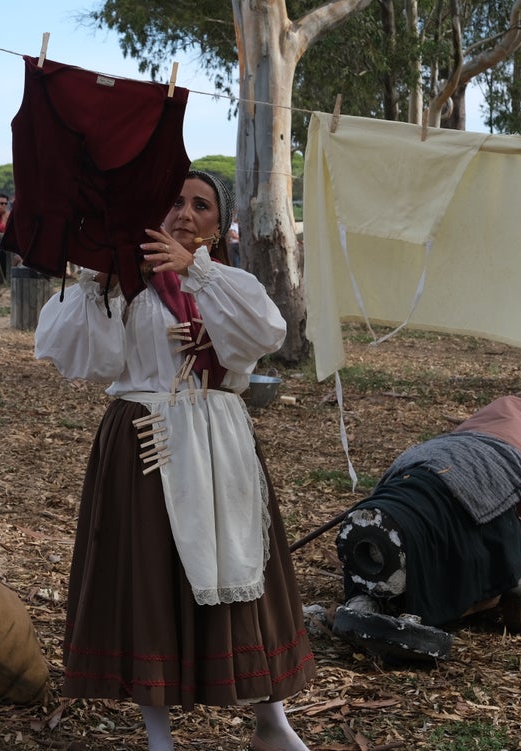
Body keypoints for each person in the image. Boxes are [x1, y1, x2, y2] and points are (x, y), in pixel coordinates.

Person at [34, 170, 316, 751]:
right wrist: (99, 280)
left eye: (202, 205)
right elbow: (79, 355)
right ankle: (157, 734)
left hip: (221, 444)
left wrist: (196, 271)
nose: (185, 213)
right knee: (148, 583)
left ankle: (271, 721)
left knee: (244, 573)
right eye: (176, 201)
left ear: (218, 224)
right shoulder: (124, 283)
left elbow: (267, 332)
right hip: (145, 439)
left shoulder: (226, 281)